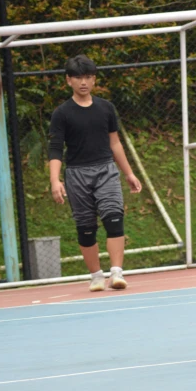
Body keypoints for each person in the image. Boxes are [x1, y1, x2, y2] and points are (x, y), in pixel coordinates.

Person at [49, 54, 142, 291]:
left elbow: (115, 144)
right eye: (78, 77)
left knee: (114, 217)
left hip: (106, 170)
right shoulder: (62, 113)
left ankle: (117, 273)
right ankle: (96, 276)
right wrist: (55, 180)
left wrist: (129, 173)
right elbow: (56, 148)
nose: (84, 82)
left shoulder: (106, 108)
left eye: (88, 77)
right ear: (68, 80)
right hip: (77, 174)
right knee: (85, 227)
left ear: (94, 80)